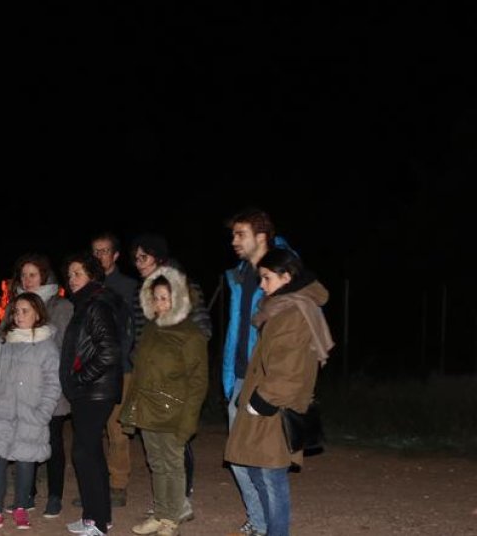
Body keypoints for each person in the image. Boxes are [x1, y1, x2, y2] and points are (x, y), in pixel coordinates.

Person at [224, 249, 334, 536]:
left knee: (272, 480)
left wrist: (259, 403)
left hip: (275, 408)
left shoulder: (295, 313)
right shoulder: (282, 308)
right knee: (259, 472)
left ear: (287, 277)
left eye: (267, 278)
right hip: (266, 404)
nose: (262, 285)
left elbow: (289, 369)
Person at [120, 268, 208, 536]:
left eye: (165, 298)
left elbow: (198, 382)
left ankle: (171, 519)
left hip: (174, 411)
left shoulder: (191, 334)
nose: (160, 304)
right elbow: (140, 371)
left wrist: (188, 421)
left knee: (173, 464)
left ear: (180, 299)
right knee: (156, 463)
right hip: (148, 409)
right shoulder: (150, 329)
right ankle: (160, 514)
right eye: (156, 298)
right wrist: (132, 408)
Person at [222, 209, 292, 536]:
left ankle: (273, 529)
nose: (234, 241)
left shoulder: (284, 270)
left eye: (240, 234)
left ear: (260, 236)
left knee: (267, 467)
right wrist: (227, 378)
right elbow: (236, 329)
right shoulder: (239, 274)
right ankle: (260, 522)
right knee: (238, 459)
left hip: (266, 380)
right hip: (238, 378)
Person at [0, 292, 62, 531]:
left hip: (30, 414)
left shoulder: (46, 347)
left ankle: (21, 506)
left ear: (37, 314)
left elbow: (53, 383)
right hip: (0, 413)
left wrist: (42, 412)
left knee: (25, 462)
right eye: (16, 311)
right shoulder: (4, 343)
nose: (19, 316)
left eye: (25, 311)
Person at [7, 253, 74, 517]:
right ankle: (27, 494)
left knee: (53, 441)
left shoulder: (61, 306)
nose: (27, 280)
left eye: (33, 274)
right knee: (25, 440)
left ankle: (55, 496)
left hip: (50, 384)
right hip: (21, 386)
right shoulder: (15, 305)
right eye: (23, 275)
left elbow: (63, 346)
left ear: (44, 276)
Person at [60, 252, 122, 536]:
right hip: (89, 391)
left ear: (93, 276)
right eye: (70, 274)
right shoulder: (86, 304)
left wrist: (80, 378)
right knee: (90, 453)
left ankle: (97, 524)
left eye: (78, 274)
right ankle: (96, 517)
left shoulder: (96, 305)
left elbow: (109, 350)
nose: (72, 280)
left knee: (85, 453)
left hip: (95, 392)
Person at [93, 232, 139, 508]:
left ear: (116, 255)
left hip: (120, 368)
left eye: (105, 251)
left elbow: (137, 326)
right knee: (91, 430)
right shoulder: (87, 284)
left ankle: (118, 484)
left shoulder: (128, 286)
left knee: (118, 429)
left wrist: (129, 357)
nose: (100, 256)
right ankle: (97, 483)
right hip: (92, 371)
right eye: (95, 251)